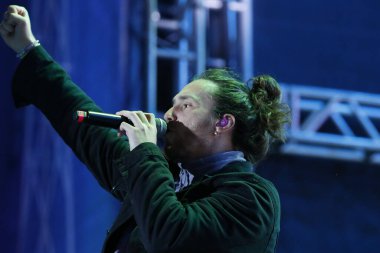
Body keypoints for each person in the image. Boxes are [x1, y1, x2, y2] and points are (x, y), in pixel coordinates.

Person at [0, 5, 290, 253]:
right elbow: (92, 134)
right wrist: (29, 49)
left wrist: (144, 150)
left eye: (185, 105)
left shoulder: (253, 198)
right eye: (172, 104)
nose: (168, 114)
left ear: (223, 122)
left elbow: (169, 235)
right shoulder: (163, 172)